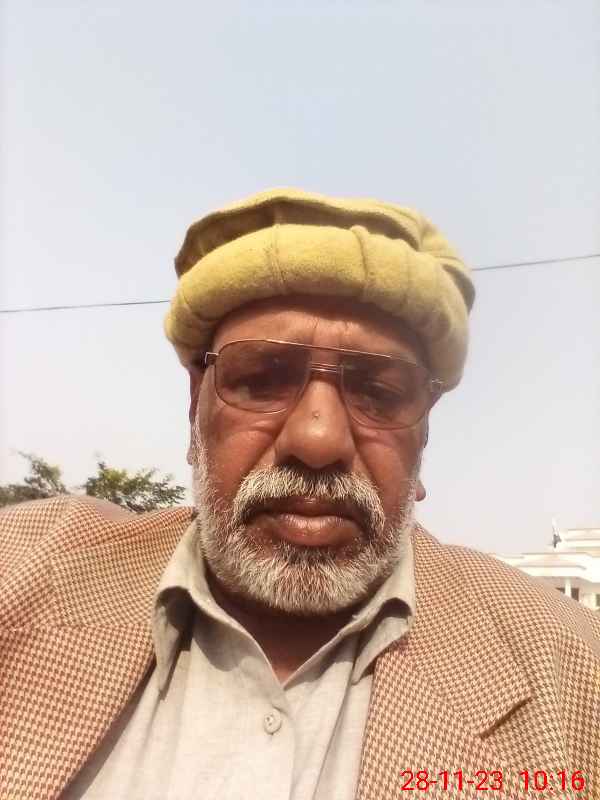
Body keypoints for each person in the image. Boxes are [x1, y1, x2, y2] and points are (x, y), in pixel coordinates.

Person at [1, 188, 598, 800]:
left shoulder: (573, 672)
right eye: (261, 380)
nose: (317, 440)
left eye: (379, 393)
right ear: (194, 409)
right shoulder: (22, 571)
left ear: (422, 435)